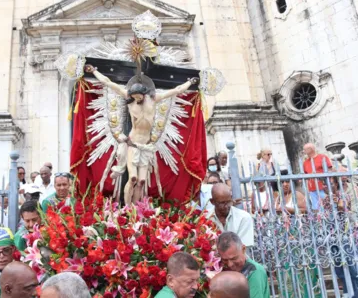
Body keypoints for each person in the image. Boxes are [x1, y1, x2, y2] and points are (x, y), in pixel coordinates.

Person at [85, 64, 199, 205]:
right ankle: (127, 209)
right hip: (133, 144)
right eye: (133, 97)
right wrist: (95, 71)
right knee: (132, 178)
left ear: (144, 93)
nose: (136, 99)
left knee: (141, 181)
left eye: (138, 97)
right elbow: (108, 83)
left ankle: (137, 209)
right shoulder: (130, 100)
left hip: (146, 146)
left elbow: (176, 90)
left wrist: (190, 82)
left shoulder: (153, 99)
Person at [217, 232, 270, 298]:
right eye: (225, 260)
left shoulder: (255, 271)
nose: (230, 264)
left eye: (234, 258)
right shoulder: (223, 270)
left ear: (243, 249)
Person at [302, 143, 332, 210]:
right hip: (312, 189)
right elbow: (305, 175)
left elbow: (330, 171)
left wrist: (318, 174)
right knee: (316, 209)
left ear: (311, 149)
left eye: (304, 149)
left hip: (324, 188)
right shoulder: (305, 162)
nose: (303, 151)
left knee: (328, 207)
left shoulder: (322, 157)